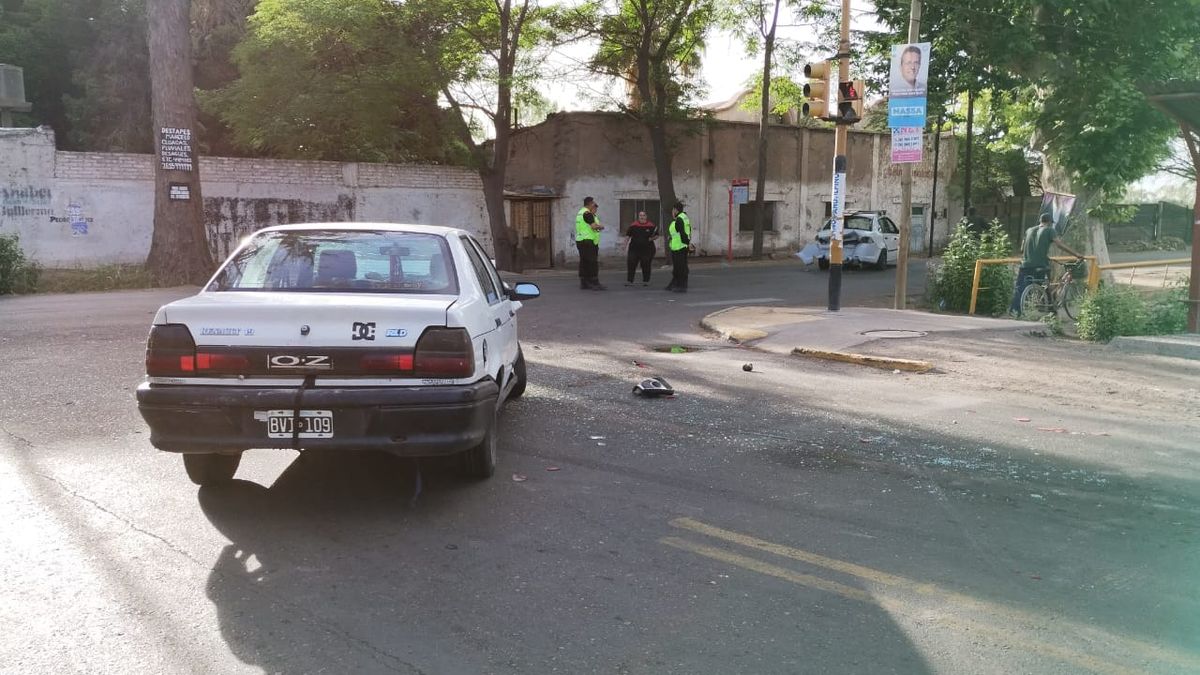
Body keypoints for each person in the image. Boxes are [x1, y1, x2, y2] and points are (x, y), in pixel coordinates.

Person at [1010, 213, 1083, 316]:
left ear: (1040, 221)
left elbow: (1022, 249)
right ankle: (1050, 310)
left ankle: (1014, 312)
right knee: (1046, 285)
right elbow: (1059, 245)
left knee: (1020, 289)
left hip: (1025, 265)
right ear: (1049, 222)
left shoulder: (1029, 230)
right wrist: (1076, 254)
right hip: (1040, 265)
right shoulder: (1049, 230)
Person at [575, 197, 605, 290]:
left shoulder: (580, 213)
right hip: (588, 241)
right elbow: (594, 227)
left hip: (580, 240)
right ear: (590, 203)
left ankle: (584, 283)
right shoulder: (587, 214)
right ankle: (594, 283)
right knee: (592, 262)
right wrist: (601, 227)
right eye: (593, 203)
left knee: (584, 262)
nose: (594, 205)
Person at [624, 210, 658, 286]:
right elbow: (628, 236)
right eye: (640, 215)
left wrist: (651, 239)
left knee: (646, 264)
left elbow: (656, 235)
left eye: (643, 215)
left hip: (647, 250)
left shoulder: (651, 225)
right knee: (631, 263)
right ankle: (630, 281)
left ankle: (646, 281)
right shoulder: (633, 225)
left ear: (646, 216)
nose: (642, 217)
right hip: (634, 249)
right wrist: (624, 245)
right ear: (638, 217)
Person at [665, 201, 691, 293]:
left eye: (673, 210)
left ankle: (681, 286)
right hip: (680, 246)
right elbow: (685, 231)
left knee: (680, 267)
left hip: (679, 247)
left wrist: (686, 243)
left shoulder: (680, 219)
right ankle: (675, 284)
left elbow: (683, 233)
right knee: (678, 267)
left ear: (675, 210)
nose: (672, 212)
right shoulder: (684, 218)